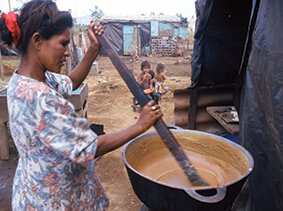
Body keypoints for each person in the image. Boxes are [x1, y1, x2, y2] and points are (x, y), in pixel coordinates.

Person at [0, 0, 162, 210]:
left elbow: (70, 82)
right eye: (63, 44)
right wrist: (140, 125)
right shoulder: (40, 99)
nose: (68, 52)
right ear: (37, 41)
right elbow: (89, 147)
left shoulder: (25, 80)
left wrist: (94, 48)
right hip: (56, 200)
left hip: (33, 188)